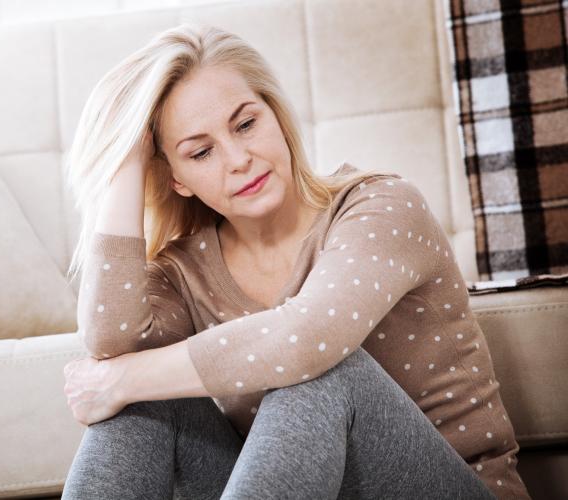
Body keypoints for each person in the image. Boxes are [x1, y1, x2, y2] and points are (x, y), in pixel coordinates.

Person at [60, 22, 530, 499]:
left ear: (277, 117)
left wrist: (120, 380)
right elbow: (110, 341)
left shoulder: (381, 205)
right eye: (200, 152)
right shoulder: (185, 270)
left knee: (321, 371)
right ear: (176, 178)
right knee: (139, 408)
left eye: (246, 124)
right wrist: (126, 162)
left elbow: (306, 339)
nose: (239, 158)